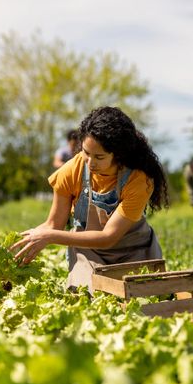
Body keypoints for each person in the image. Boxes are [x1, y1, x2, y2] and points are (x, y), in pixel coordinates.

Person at [13, 107, 168, 293]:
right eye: (86, 153)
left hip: (134, 252)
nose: (90, 162)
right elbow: (53, 224)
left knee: (138, 301)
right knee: (86, 297)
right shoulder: (72, 170)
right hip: (89, 252)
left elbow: (108, 237)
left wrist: (50, 237)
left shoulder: (138, 180)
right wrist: (23, 244)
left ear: (118, 155)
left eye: (99, 157)